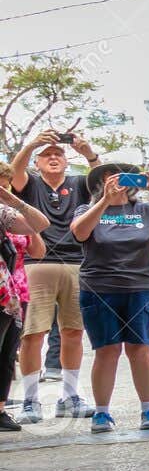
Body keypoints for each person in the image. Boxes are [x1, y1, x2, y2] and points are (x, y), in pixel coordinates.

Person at [7, 130, 103, 422]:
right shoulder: (30, 183)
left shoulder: (77, 183)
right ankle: (31, 400)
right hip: (38, 264)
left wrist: (88, 153)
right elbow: (15, 172)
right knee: (33, 334)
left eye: (57, 154)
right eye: (46, 154)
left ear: (65, 160)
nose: (52, 158)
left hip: (78, 263)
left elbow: (103, 182)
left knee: (74, 332)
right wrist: (32, 144)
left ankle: (71, 395)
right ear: (37, 162)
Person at [70, 164, 149, 433]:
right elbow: (79, 233)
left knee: (140, 348)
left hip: (143, 287)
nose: (117, 181)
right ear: (99, 183)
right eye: (109, 176)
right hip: (99, 288)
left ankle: (148, 409)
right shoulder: (87, 209)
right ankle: (102, 413)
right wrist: (104, 201)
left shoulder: (148, 210)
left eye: (124, 175)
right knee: (107, 350)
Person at [0, 167, 49, 432]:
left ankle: (1, 409)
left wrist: (11, 201)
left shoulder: (4, 211)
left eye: (6, 185)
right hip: (9, 290)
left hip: (9, 293)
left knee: (6, 353)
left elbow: (40, 225)